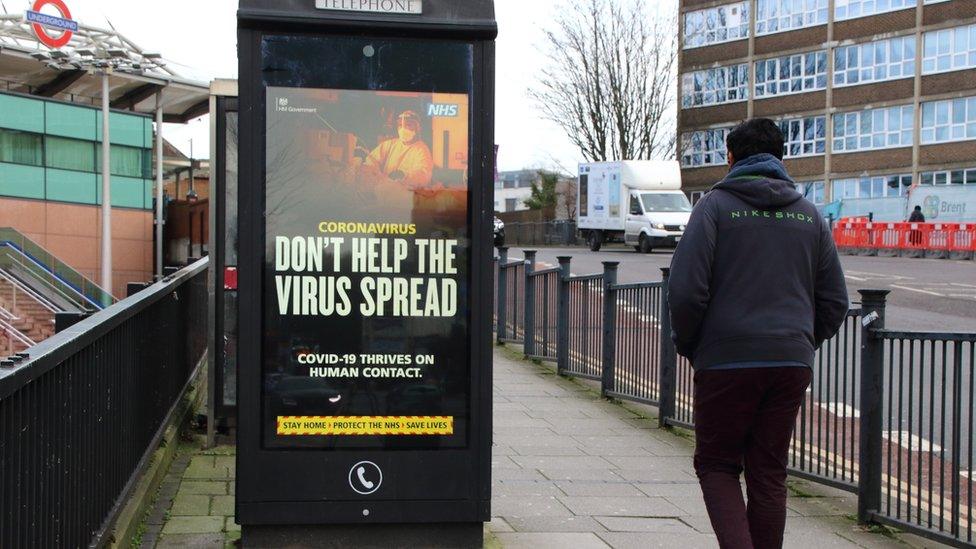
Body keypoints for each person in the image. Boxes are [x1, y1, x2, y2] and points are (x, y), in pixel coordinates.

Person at [668, 118, 849, 549]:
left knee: (717, 465)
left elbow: (686, 290)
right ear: (781, 158)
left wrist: (694, 345)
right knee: (769, 470)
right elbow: (835, 301)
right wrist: (800, 341)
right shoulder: (809, 215)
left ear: (730, 158)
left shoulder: (713, 207)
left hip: (726, 360)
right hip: (790, 362)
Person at [360, 110, 434, 188]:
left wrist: (404, 176)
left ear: (418, 128)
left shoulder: (421, 149)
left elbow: (423, 175)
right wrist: (372, 173)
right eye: (400, 125)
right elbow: (371, 161)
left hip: (404, 194)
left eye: (408, 125)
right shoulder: (390, 144)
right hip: (384, 190)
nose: (403, 129)